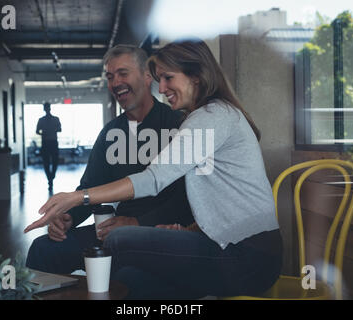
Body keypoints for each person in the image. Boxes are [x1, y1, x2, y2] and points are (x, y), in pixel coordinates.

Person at [25, 39, 282, 299]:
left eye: (168, 78)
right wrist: (187, 230)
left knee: (119, 242)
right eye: (161, 79)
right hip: (228, 248)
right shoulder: (204, 118)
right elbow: (216, 202)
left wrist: (77, 198)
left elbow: (155, 179)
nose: (163, 88)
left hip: (246, 257)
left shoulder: (208, 119)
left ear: (196, 76)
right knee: (130, 280)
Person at [25, 45, 194, 274]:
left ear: (147, 76)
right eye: (110, 76)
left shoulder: (179, 124)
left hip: (164, 231)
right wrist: (68, 218)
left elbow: (188, 199)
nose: (115, 83)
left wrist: (137, 223)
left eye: (123, 73)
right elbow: (90, 188)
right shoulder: (110, 133)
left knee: (127, 275)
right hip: (117, 230)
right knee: (43, 248)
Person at [36, 102, 62, 191]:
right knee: (46, 162)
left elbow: (60, 129)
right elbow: (37, 131)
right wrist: (44, 133)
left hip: (53, 142)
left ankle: (52, 176)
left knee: (55, 161)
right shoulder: (41, 120)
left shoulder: (55, 119)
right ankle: (50, 179)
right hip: (46, 142)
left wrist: (52, 130)